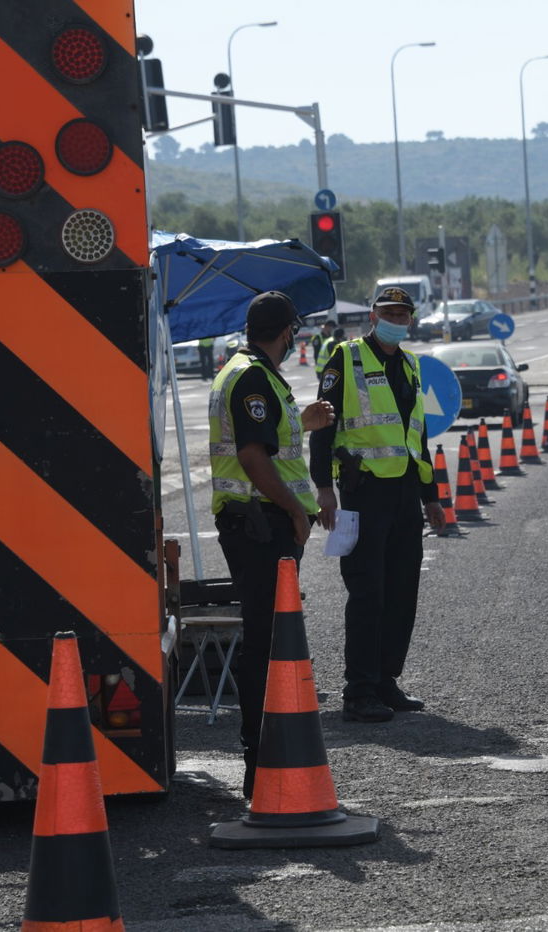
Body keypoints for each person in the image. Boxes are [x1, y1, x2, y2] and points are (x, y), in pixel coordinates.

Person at [209, 291, 335, 798]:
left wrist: (300, 422)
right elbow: (254, 457)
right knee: (266, 642)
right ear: (287, 332)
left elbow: (263, 436)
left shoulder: (240, 370)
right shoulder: (255, 377)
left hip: (255, 523)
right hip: (261, 524)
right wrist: (291, 511)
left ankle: (265, 754)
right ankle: (260, 758)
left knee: (268, 637)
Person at [310, 287, 446, 723]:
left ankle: (386, 679)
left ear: (411, 320)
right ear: (373, 315)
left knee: (402, 590)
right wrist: (324, 487)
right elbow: (321, 425)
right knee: (367, 592)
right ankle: (360, 690)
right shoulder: (345, 358)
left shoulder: (409, 365)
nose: (396, 319)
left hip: (405, 493)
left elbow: (416, 434)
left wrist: (431, 497)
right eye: (389, 312)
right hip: (364, 491)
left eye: (403, 314)